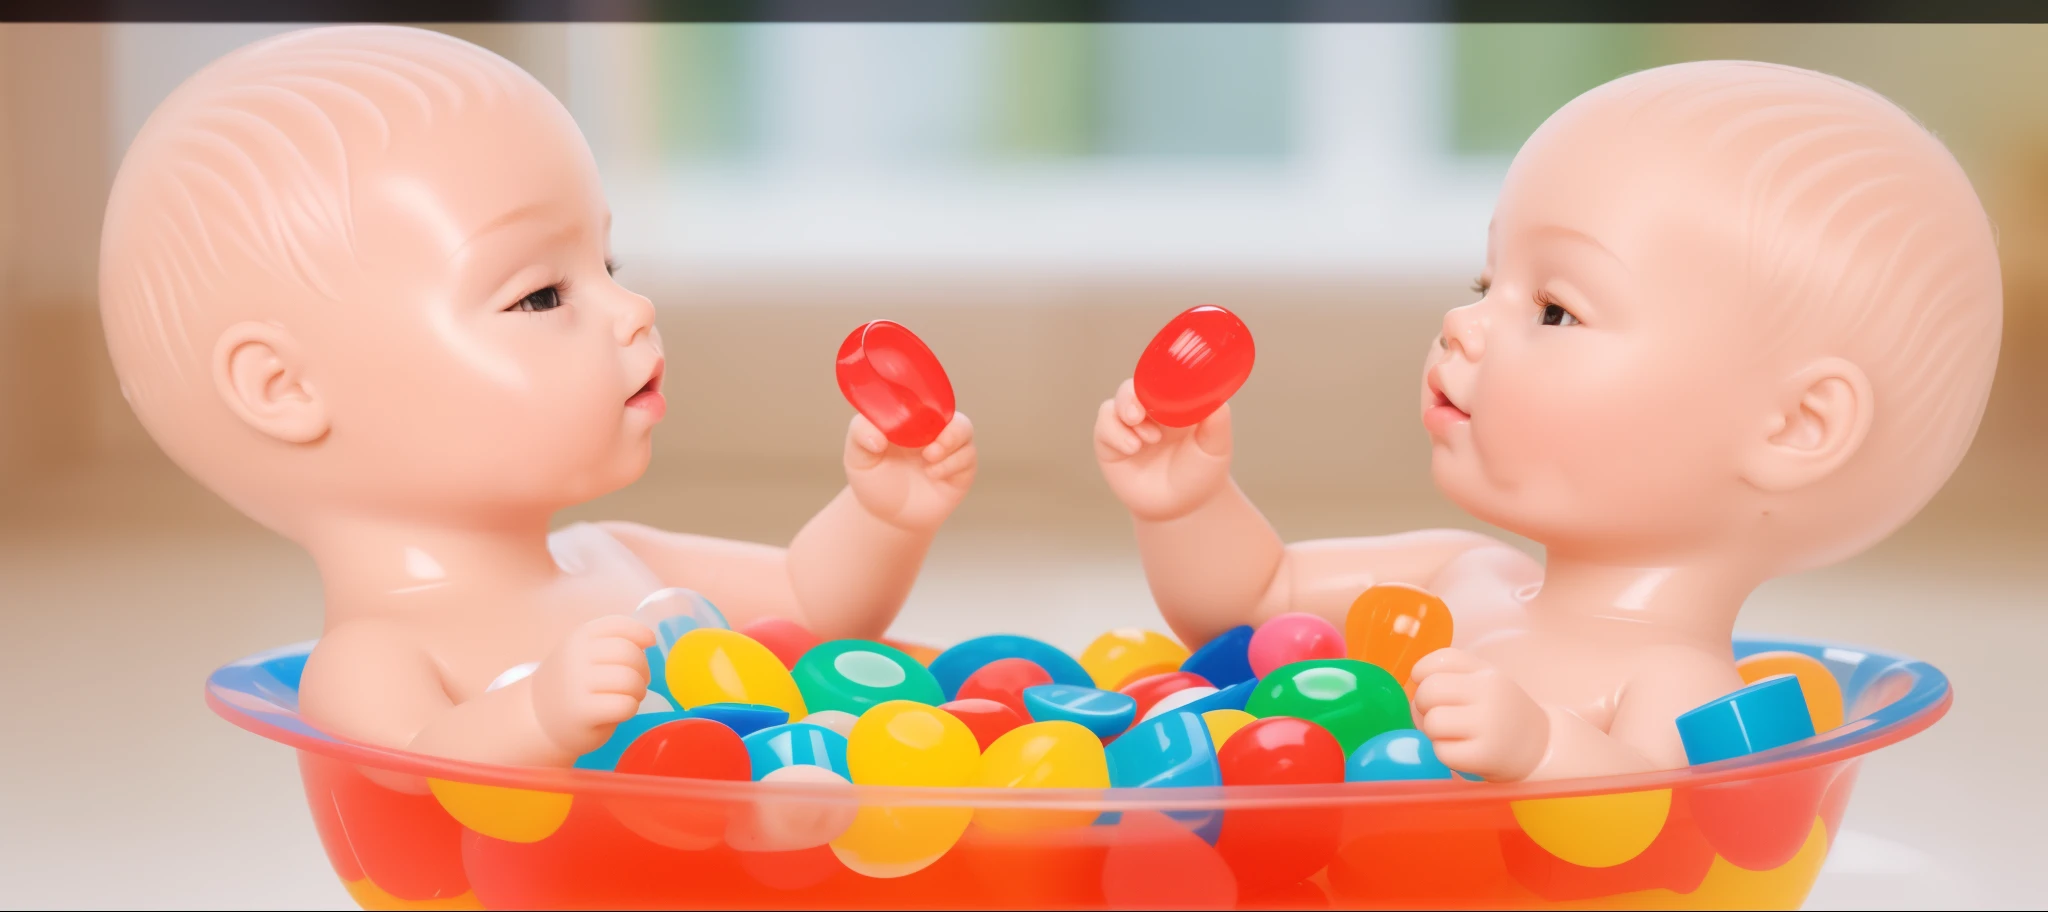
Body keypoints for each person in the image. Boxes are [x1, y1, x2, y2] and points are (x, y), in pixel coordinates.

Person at [1093, 60, 2002, 781]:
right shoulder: (1461, 575)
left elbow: (1655, 828)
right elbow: (1247, 604)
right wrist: (1186, 506)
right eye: (1486, 284)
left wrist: (1542, 751)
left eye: (1555, 309)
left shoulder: (1676, 684)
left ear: (1797, 428)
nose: (1464, 322)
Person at [99, 25, 978, 768]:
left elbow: (813, 606)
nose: (634, 309)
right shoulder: (375, 654)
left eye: (609, 264)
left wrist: (885, 518)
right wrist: (536, 719)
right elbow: (417, 766)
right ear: (284, 389)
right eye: (542, 295)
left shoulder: (620, 561)